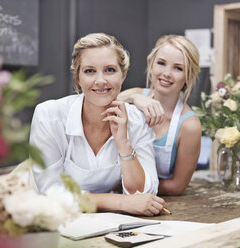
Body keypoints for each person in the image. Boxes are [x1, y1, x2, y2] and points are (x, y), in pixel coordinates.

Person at [30, 33, 166, 216]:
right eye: (89, 71)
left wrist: (123, 143)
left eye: (110, 70)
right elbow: (50, 193)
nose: (100, 80)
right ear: (77, 77)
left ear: (123, 75)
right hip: (36, 214)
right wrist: (119, 201)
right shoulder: (49, 115)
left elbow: (143, 196)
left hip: (94, 221)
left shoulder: (136, 120)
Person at [118, 35, 201, 195]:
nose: (167, 73)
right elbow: (97, 106)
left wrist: (131, 187)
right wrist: (134, 98)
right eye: (161, 63)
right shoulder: (134, 95)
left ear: (188, 76)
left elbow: (177, 186)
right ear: (151, 65)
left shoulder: (189, 126)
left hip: (157, 202)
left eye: (178, 68)